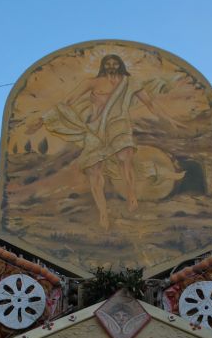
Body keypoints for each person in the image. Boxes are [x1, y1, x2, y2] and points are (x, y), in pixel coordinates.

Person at [28, 54, 179, 228]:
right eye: (108, 63)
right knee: (94, 171)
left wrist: (169, 119)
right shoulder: (92, 83)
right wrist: (42, 120)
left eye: (115, 63)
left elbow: (149, 102)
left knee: (124, 157)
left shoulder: (130, 83)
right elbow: (67, 101)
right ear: (103, 66)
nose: (112, 66)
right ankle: (103, 213)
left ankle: (131, 194)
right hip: (95, 129)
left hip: (119, 124)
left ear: (120, 64)